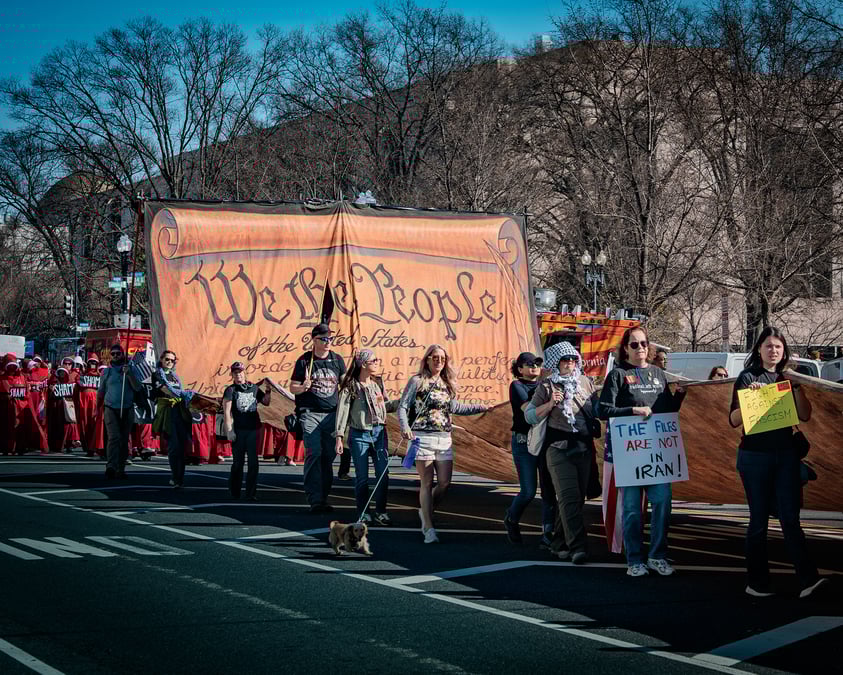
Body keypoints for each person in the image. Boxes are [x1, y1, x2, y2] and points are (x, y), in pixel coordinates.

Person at [729, 326, 827, 599]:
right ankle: (757, 582)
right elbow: (733, 420)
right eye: (769, 346)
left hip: (785, 456)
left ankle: (808, 580)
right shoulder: (748, 377)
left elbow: (805, 415)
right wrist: (751, 398)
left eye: (778, 347)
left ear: (784, 352)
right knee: (758, 520)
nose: (773, 351)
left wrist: (796, 387)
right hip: (754, 457)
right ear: (759, 349)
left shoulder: (788, 378)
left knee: (790, 519)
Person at [599, 326, 685, 577]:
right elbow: (603, 410)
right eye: (634, 344)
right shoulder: (617, 375)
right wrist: (632, 411)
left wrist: (679, 396)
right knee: (633, 510)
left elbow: (668, 411)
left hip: (656, 453)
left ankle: (657, 555)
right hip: (630, 455)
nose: (641, 348)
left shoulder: (658, 374)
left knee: (662, 504)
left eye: (644, 343)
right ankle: (634, 559)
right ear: (625, 348)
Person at [398, 344, 488, 544]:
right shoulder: (417, 381)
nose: (439, 361)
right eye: (435, 357)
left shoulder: (447, 383)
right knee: (427, 482)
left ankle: (426, 511)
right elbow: (403, 406)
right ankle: (428, 527)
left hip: (444, 437)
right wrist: (405, 427)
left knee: (445, 482)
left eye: (442, 358)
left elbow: (455, 407)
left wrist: (481, 407)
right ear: (427, 359)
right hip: (422, 437)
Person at [525, 342, 598, 564]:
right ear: (557, 362)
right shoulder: (547, 385)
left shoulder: (586, 383)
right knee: (568, 497)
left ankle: (558, 542)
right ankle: (578, 548)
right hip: (558, 449)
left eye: (573, 359)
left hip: (583, 448)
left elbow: (596, 409)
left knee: (576, 500)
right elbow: (529, 416)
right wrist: (549, 405)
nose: (570, 364)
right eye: (565, 360)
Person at [334, 349, 399, 525]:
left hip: (379, 433)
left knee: (383, 474)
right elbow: (342, 412)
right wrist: (339, 436)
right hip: (359, 435)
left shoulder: (376, 385)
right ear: (363, 364)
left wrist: (401, 402)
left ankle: (381, 511)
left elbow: (383, 406)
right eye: (374, 360)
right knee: (362, 477)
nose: (377, 362)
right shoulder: (350, 387)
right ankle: (363, 512)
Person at [290, 324, 347, 513]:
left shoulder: (337, 360)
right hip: (310, 413)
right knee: (314, 452)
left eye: (330, 338)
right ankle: (314, 499)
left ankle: (323, 497)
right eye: (324, 339)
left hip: (332, 414)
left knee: (328, 457)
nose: (328, 342)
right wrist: (303, 387)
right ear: (314, 340)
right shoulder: (304, 361)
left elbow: (345, 385)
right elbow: (292, 387)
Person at [503, 351, 554, 545]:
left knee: (549, 490)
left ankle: (548, 533)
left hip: (545, 441)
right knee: (529, 490)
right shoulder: (517, 386)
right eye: (528, 363)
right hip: (524, 442)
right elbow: (528, 411)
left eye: (537, 363)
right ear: (519, 368)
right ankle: (512, 518)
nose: (533, 366)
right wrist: (549, 401)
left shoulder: (547, 385)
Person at [222, 362, 271, 500]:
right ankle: (234, 490)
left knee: (253, 463)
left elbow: (266, 402)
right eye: (235, 372)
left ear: (245, 373)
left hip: (253, 429)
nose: (238, 374)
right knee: (238, 462)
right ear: (232, 374)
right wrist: (230, 431)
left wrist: (268, 391)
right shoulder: (230, 390)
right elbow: (227, 412)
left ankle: (251, 493)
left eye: (240, 372)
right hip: (238, 429)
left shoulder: (254, 388)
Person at [96, 344, 141, 479]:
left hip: (127, 407)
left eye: (118, 354)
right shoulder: (107, 372)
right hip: (110, 408)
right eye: (113, 354)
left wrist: (130, 375)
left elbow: (137, 388)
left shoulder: (130, 369)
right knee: (114, 437)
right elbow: (101, 391)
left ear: (122, 354)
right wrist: (97, 408)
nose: (115, 356)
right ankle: (111, 466)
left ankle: (120, 468)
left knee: (123, 438)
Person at [152, 350, 193, 488]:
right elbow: (165, 389)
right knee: (174, 446)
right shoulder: (157, 374)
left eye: (172, 360)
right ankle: (176, 477)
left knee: (182, 446)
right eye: (167, 359)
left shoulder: (175, 376)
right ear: (162, 360)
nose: (169, 362)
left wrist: (185, 395)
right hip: (168, 412)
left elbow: (178, 391)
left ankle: (179, 478)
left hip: (179, 411)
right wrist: (181, 394)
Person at [75, 355, 103, 456]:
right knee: (85, 425)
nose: (92, 365)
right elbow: (76, 391)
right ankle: (88, 447)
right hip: (84, 405)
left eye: (94, 363)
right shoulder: (81, 376)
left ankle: (95, 447)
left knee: (96, 425)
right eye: (91, 362)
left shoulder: (101, 376)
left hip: (96, 404)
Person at [47, 367, 76, 453]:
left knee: (68, 426)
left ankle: (69, 444)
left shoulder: (70, 384)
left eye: (63, 373)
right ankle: (56, 445)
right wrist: (51, 390)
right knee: (56, 426)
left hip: (66, 409)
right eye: (60, 372)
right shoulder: (54, 383)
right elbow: (49, 396)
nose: (62, 374)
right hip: (56, 409)